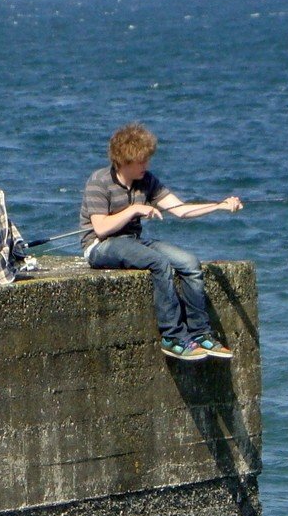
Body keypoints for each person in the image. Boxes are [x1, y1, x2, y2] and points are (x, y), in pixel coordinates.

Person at [79, 122, 243, 361]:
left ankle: (199, 333)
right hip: (100, 246)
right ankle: (172, 336)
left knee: (189, 263)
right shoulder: (99, 181)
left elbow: (180, 210)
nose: (146, 165)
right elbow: (101, 228)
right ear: (124, 160)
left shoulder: (147, 181)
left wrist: (219, 205)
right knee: (158, 262)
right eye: (141, 161)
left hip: (132, 242)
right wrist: (134, 209)